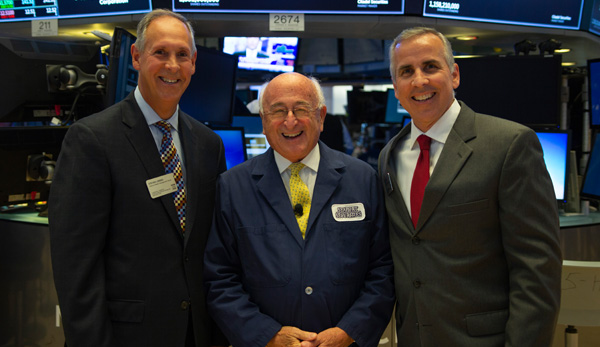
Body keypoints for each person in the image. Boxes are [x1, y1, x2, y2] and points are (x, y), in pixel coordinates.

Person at [48, 9, 228, 347]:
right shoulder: (91, 139)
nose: (172, 66)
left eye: (182, 55)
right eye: (160, 52)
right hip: (124, 335)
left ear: (193, 63)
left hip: (197, 334)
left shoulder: (208, 144)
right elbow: (76, 265)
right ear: (136, 57)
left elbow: (211, 251)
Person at [378, 26, 562, 346]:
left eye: (430, 67)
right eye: (406, 71)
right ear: (396, 87)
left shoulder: (510, 145)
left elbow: (536, 273)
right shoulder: (388, 156)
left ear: (454, 75)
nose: (419, 80)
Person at [204, 72, 395, 347]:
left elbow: (383, 270)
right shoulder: (233, 187)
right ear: (264, 120)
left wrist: (347, 332)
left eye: (301, 109)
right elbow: (219, 278)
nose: (290, 120)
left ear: (321, 116)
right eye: (278, 111)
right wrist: (267, 335)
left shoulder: (363, 179)